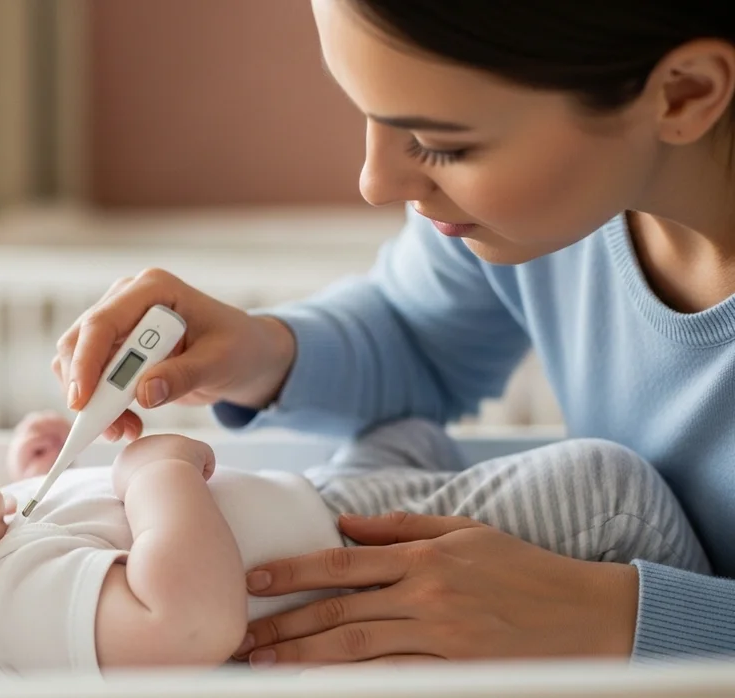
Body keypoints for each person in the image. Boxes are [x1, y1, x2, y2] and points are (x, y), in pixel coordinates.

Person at [53, 0, 735, 666]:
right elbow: (417, 336)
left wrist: (608, 616)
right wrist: (263, 353)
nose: (375, 183)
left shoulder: (557, 200)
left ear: (684, 94)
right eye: (371, 113)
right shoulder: (557, 209)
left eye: (442, 144)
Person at [0, 384, 704, 674]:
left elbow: (65, 539)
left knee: (397, 421)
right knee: (603, 486)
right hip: (372, 548)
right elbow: (183, 618)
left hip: (331, 494)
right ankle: (703, 654)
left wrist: (42, 470)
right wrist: (155, 467)